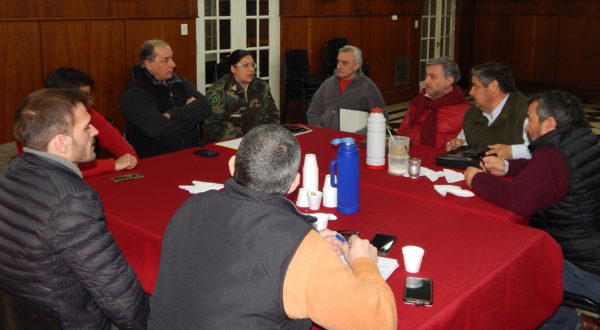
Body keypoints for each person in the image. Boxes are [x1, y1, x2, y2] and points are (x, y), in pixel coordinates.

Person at [149, 124, 397, 329]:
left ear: (232, 165)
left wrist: (308, 245)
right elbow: (380, 324)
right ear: (294, 184)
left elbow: (234, 253)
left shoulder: (190, 206)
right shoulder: (299, 250)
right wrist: (364, 263)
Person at [0, 89, 149, 329]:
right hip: (70, 320)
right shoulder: (71, 199)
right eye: (87, 127)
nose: (96, 131)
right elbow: (114, 289)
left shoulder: (11, 171)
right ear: (61, 142)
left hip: (19, 315)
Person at [464, 90, 600, 329]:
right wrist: (507, 167)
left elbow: (517, 199)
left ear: (549, 123)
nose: (526, 127)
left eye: (530, 119)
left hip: (587, 272)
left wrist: (477, 179)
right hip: (591, 255)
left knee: (508, 274)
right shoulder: (581, 140)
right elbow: (545, 172)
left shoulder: (552, 155)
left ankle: (568, 324)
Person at [15, 67, 138, 176]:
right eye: (84, 96)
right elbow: (41, 173)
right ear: (59, 98)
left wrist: (123, 161)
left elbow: (127, 154)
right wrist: (111, 165)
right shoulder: (33, 119)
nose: (90, 102)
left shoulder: (88, 113)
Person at [120, 39, 212, 158]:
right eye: (165, 60)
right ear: (149, 64)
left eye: (172, 58)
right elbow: (158, 129)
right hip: (158, 159)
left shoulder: (180, 82)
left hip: (192, 152)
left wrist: (171, 114)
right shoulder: (134, 94)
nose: (173, 64)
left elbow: (205, 107)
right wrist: (192, 117)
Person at [446, 61, 530, 159]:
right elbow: (463, 140)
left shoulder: (526, 112)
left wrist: (511, 151)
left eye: (476, 86)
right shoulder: (474, 111)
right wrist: (457, 145)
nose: (471, 92)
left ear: (493, 87)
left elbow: (541, 149)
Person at [203, 49, 279, 141]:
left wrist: (268, 136)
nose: (251, 69)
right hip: (228, 143)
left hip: (259, 142)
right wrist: (244, 138)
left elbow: (274, 116)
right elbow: (212, 125)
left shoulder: (262, 87)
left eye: (253, 65)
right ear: (233, 69)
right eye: (245, 65)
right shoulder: (218, 90)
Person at [306, 45, 386, 130]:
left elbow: (382, 118)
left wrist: (359, 135)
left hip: (353, 139)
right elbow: (313, 111)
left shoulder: (368, 87)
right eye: (338, 62)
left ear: (356, 66)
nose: (338, 66)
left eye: (344, 63)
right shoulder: (328, 83)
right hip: (324, 134)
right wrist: (318, 130)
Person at [397, 58, 470, 149]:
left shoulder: (465, 111)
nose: (426, 81)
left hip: (436, 159)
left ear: (449, 81)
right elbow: (402, 131)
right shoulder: (419, 101)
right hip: (405, 155)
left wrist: (452, 146)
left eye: (432, 77)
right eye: (427, 76)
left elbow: (463, 145)